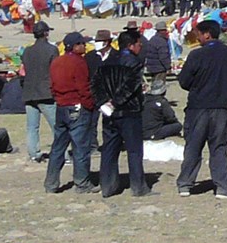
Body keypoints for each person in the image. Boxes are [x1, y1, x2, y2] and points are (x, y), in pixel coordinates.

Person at [175, 19, 227, 199]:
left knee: (193, 146)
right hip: (220, 108)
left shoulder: (196, 55)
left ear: (207, 34)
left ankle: (185, 185)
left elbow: (184, 81)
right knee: (218, 147)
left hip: (198, 107)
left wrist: (199, 87)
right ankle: (223, 187)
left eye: (198, 34)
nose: (196, 37)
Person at [95, 28, 149, 197]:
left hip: (109, 114)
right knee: (134, 151)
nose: (140, 47)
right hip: (128, 111)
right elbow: (130, 86)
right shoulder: (134, 62)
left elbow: (96, 85)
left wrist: (103, 103)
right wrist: (114, 102)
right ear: (131, 45)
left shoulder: (107, 61)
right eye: (139, 44)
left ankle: (108, 185)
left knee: (109, 149)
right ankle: (138, 187)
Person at [46, 32, 98, 194]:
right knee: (81, 147)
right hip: (77, 106)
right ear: (74, 46)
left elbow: (52, 86)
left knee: (58, 146)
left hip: (61, 107)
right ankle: (82, 183)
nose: (84, 46)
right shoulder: (78, 62)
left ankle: (51, 183)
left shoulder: (56, 62)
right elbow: (83, 87)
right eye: (81, 43)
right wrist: (89, 105)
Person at [20, 23, 58, 162]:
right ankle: (63, 155)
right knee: (57, 127)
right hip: (46, 92)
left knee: (32, 127)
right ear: (46, 33)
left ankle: (33, 154)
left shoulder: (27, 51)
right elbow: (55, 71)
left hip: (29, 91)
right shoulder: (52, 50)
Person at [142, 21, 174, 96]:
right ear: (161, 31)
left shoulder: (152, 39)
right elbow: (163, 57)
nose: (166, 31)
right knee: (160, 87)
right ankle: (158, 100)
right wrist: (168, 67)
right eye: (164, 30)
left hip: (152, 67)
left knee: (154, 85)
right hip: (159, 68)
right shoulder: (161, 42)